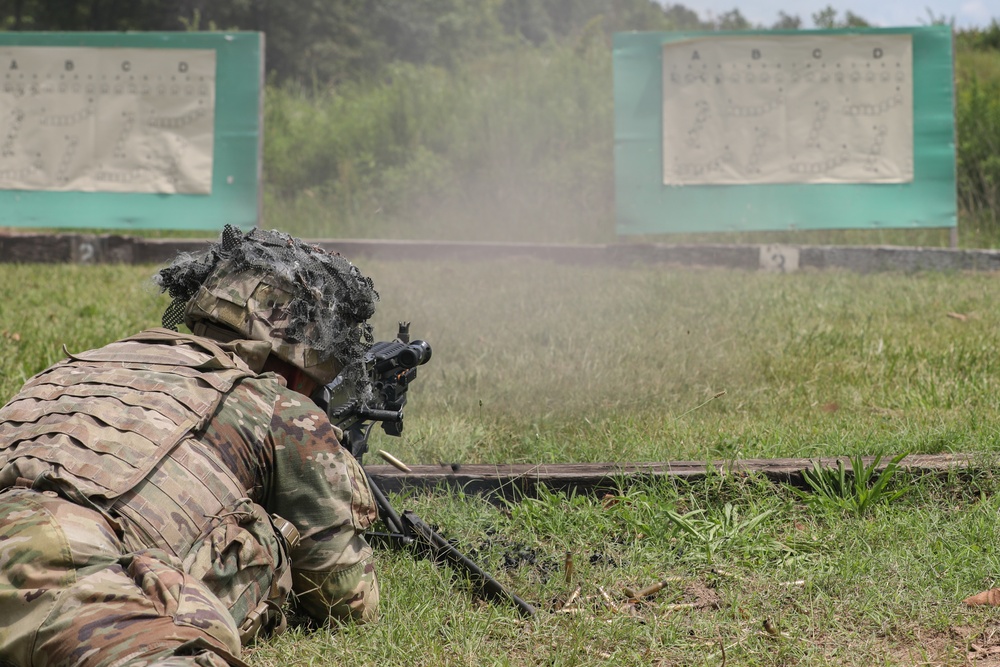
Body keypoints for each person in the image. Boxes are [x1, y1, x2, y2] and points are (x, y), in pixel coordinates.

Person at [0, 225, 381, 667]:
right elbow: (347, 602)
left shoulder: (90, 361)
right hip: (60, 561)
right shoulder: (281, 406)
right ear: (298, 362)